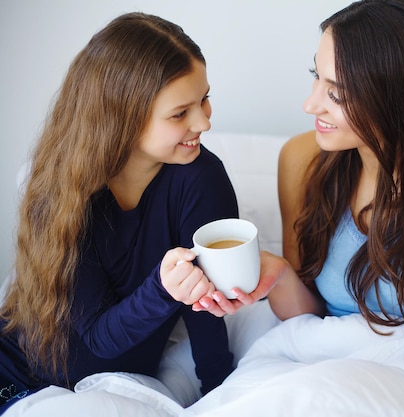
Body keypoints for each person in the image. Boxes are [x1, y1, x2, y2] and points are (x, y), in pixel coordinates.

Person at [0, 12, 236, 413]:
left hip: (100, 382)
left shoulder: (200, 179)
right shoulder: (62, 191)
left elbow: (205, 311)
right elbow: (97, 339)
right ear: (121, 118)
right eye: (180, 113)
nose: (203, 122)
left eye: (205, 99)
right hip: (20, 367)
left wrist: (224, 397)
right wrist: (163, 289)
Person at [197, 0, 404, 330]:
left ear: (399, 99)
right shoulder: (302, 160)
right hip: (332, 359)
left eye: (337, 95)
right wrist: (279, 274)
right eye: (316, 76)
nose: (311, 104)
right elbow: (310, 317)